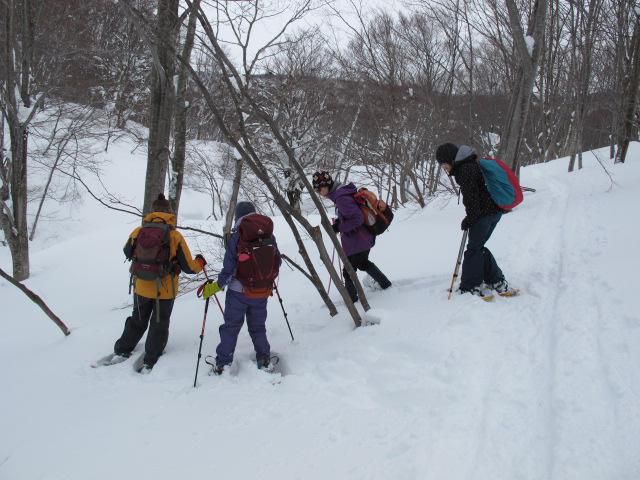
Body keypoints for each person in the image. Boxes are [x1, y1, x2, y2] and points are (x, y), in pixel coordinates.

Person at [114, 193, 206, 372]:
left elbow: (127, 252)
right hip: (164, 290)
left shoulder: (139, 231)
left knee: (137, 320)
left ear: (153, 212)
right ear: (169, 213)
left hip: (141, 285)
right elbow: (189, 267)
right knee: (159, 322)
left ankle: (122, 349)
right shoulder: (174, 236)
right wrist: (200, 262)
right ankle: (151, 358)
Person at [202, 201, 280, 375]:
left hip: (238, 292)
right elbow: (277, 261)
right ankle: (264, 359)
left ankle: (223, 364)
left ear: (238, 217)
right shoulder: (269, 234)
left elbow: (229, 268)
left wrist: (217, 286)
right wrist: (267, 280)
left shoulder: (237, 235)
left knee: (231, 326)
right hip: (262, 291)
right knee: (258, 326)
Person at [435, 143, 512, 297]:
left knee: (473, 251)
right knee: (478, 247)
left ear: (450, 159)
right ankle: (495, 280)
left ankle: (471, 286)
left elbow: (472, 199)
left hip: (484, 214)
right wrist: (470, 217)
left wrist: (470, 219)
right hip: (494, 212)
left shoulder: (464, 170)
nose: (445, 169)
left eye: (444, 165)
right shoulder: (470, 164)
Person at [312, 171, 391, 303]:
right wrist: (339, 223)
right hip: (362, 238)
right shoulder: (341, 193)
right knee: (363, 263)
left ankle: (352, 300)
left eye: (319, 189)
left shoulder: (341, 197)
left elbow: (357, 218)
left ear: (326, 185)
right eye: (316, 190)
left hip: (358, 240)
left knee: (348, 271)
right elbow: (350, 215)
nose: (319, 192)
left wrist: (339, 227)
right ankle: (385, 284)